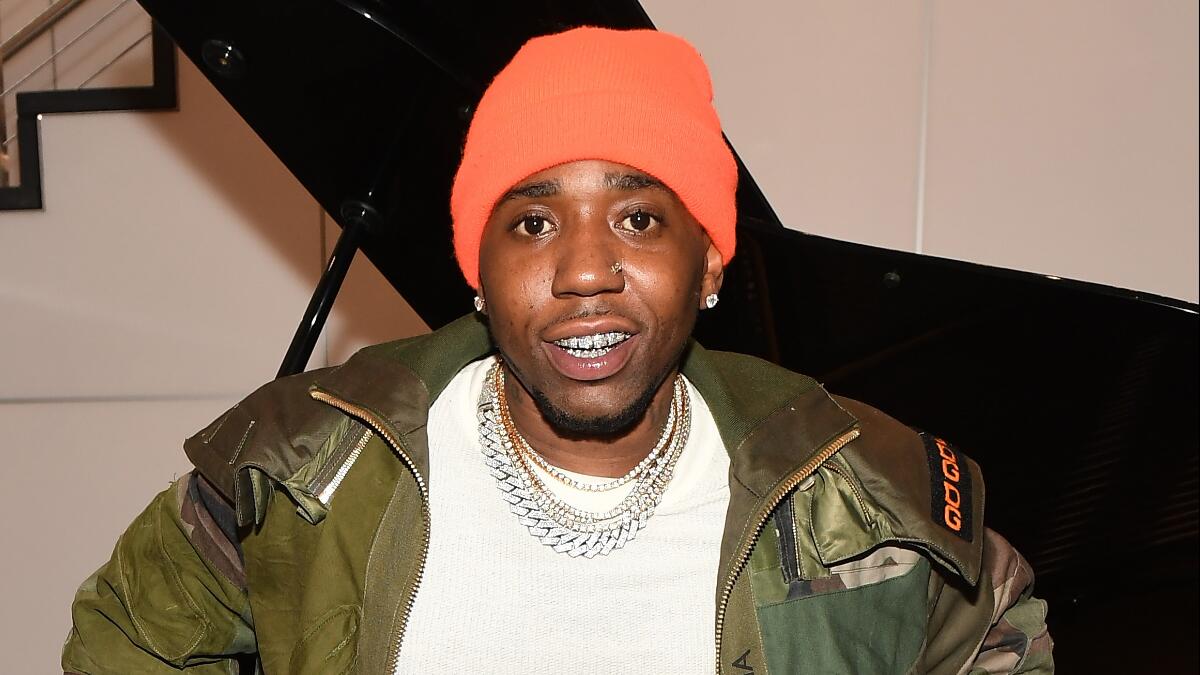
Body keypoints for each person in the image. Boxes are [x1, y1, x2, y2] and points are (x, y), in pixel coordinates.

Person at [62, 27, 1053, 674]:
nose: (584, 271)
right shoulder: (305, 463)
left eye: (639, 219)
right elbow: (128, 638)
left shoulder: (867, 493)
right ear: (477, 268)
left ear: (709, 261)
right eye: (533, 223)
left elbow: (1002, 643)